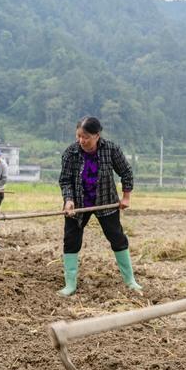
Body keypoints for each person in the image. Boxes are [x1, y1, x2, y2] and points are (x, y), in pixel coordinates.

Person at [58, 116, 140, 295]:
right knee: (71, 240)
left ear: (97, 135)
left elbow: (126, 172)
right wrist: (68, 200)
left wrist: (126, 197)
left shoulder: (110, 149)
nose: (82, 141)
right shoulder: (71, 152)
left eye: (86, 137)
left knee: (117, 238)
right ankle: (70, 284)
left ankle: (130, 281)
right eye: (79, 136)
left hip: (105, 201)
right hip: (78, 204)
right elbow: (65, 180)